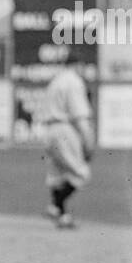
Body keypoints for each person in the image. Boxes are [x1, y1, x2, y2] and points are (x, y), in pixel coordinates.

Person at [39, 64, 95, 228]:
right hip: (64, 129)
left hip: (49, 129)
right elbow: (79, 114)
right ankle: (56, 206)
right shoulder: (74, 81)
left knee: (58, 175)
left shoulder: (55, 81)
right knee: (81, 174)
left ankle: (62, 215)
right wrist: (88, 139)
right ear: (77, 65)